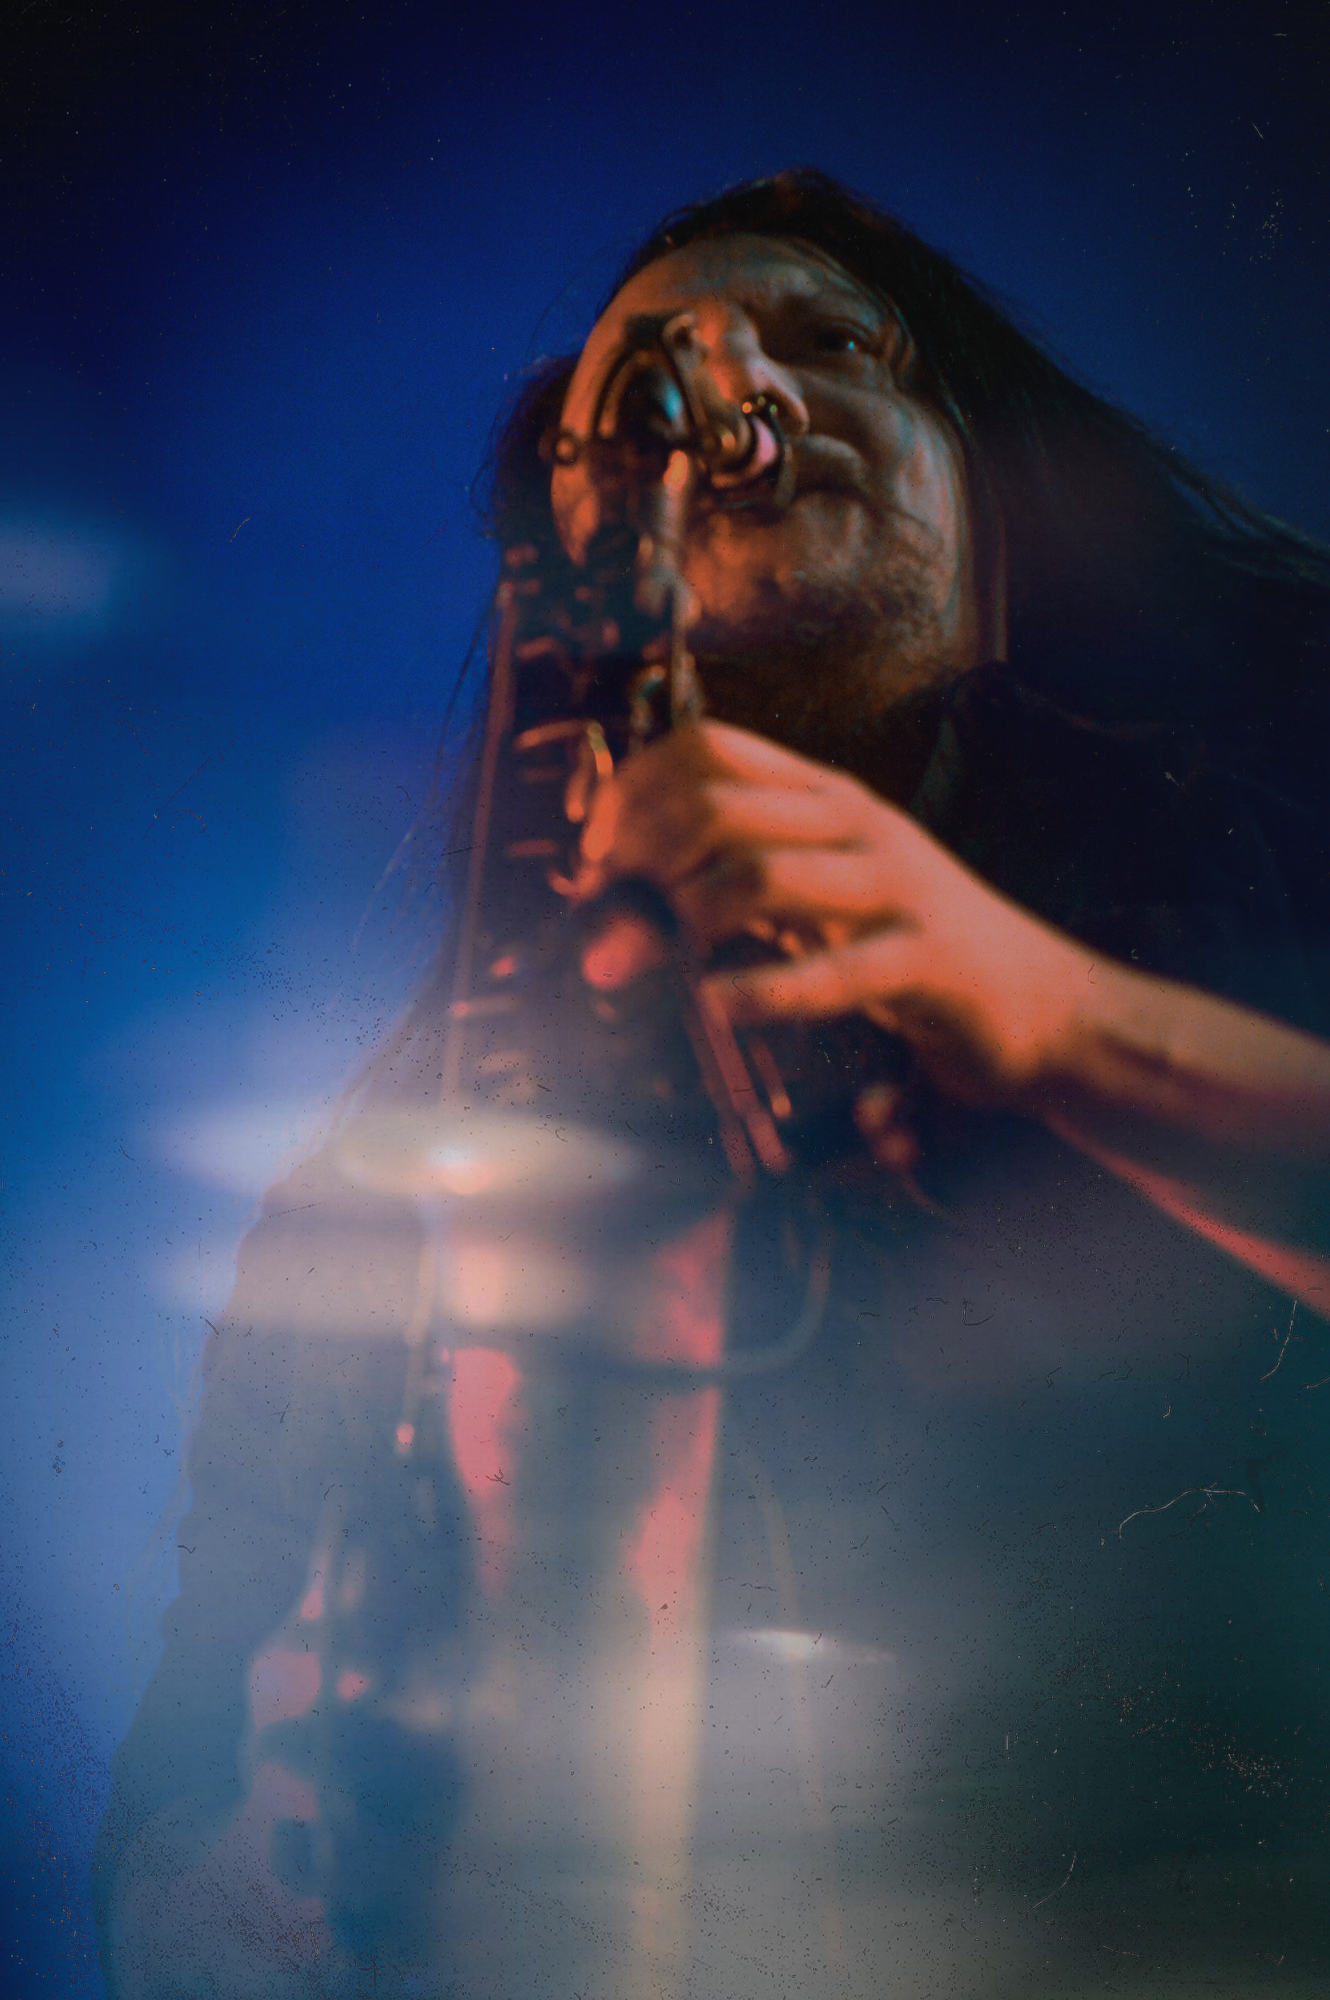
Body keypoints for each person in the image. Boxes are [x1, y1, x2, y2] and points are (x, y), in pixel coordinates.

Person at [94, 169, 1330, 1998]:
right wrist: (270, 1874)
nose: (747, 386)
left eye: (839, 346)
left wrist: (1056, 1019)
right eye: (651, 383)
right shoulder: (391, 1152)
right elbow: (165, 1829)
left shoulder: (1263, 823)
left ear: (973, 482)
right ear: (571, 525)